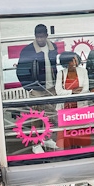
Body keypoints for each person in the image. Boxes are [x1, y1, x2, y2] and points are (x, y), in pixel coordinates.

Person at [15, 24, 59, 152]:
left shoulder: (53, 47)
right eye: (37, 37)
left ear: (46, 36)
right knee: (36, 116)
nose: (40, 39)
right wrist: (29, 88)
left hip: (51, 87)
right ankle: (36, 143)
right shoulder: (28, 50)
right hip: (36, 89)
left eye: (42, 37)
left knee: (49, 115)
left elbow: (54, 65)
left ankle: (47, 138)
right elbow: (21, 71)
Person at [55, 52, 89, 148]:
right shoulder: (60, 73)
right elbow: (59, 92)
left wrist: (69, 92)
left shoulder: (83, 71)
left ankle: (80, 150)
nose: (75, 62)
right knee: (67, 134)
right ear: (66, 62)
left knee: (80, 132)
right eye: (72, 60)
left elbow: (85, 89)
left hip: (80, 107)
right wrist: (72, 92)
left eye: (76, 59)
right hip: (65, 109)